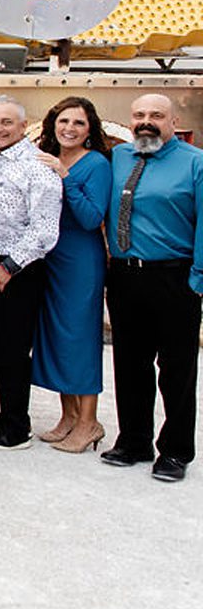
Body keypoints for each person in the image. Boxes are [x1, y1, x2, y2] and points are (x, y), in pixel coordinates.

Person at [101, 94, 203, 483]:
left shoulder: (196, 163)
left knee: (176, 369)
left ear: (174, 122)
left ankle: (175, 451)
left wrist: (197, 279)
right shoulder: (121, 156)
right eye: (139, 115)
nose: (147, 121)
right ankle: (134, 440)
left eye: (156, 116)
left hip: (174, 276)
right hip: (126, 276)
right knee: (130, 364)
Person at [0, 98, 62, 451]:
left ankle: (16, 428)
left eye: (6, 122)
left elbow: (44, 230)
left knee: (11, 346)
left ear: (23, 126)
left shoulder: (37, 168)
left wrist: (9, 267)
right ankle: (7, 411)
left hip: (15, 268)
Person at [31, 97, 112, 453]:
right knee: (55, 337)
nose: (69, 129)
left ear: (90, 129)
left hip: (81, 261)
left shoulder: (96, 164)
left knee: (81, 339)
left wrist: (65, 178)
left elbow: (92, 218)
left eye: (78, 123)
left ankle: (88, 422)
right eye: (64, 121)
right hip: (49, 257)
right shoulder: (45, 156)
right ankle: (67, 416)